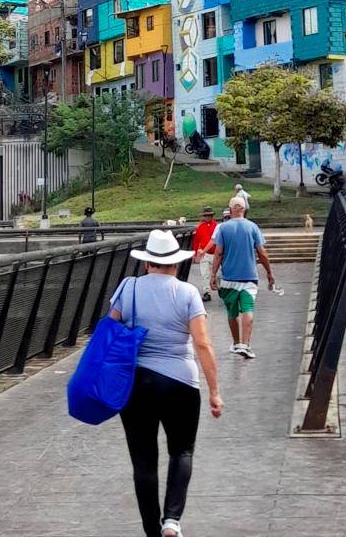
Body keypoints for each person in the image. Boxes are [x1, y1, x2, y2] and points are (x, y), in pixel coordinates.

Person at [107, 229, 222, 537]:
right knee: (182, 451)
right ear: (175, 264)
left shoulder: (127, 287)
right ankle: (172, 520)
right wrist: (214, 391)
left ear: (147, 264)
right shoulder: (187, 293)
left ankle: (151, 530)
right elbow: (203, 344)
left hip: (135, 383)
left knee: (143, 462)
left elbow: (110, 330)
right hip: (181, 383)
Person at [209, 196, 276, 359]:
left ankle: (236, 342)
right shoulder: (253, 227)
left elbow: (218, 253)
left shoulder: (223, 228)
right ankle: (245, 345)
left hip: (228, 278)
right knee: (248, 309)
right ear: (244, 209)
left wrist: (213, 274)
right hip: (249, 277)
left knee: (232, 313)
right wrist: (269, 273)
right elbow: (262, 253)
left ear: (230, 210)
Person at [189, 206, 218, 303]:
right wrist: (195, 252)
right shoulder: (200, 227)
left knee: (218, 273)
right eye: (206, 216)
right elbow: (196, 241)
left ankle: (220, 287)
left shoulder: (217, 226)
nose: (207, 217)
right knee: (204, 274)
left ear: (212, 216)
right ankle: (207, 292)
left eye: (209, 216)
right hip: (204, 254)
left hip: (216, 253)